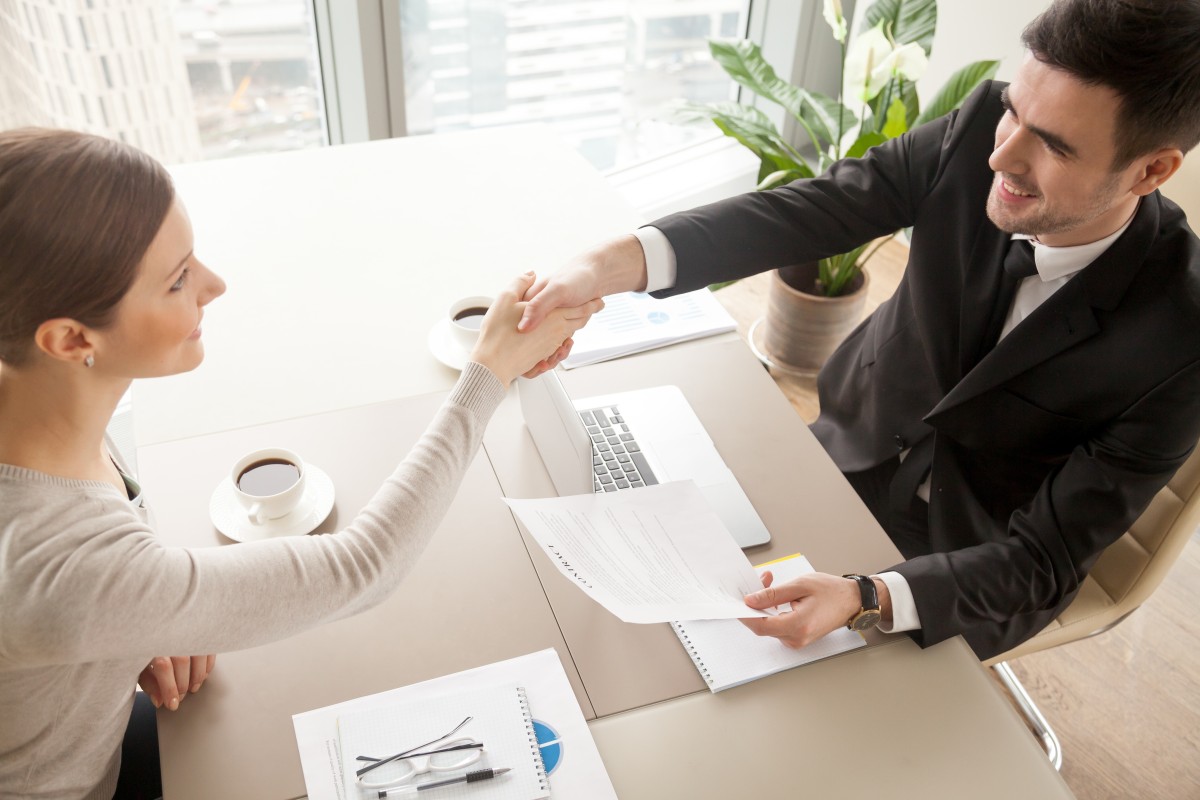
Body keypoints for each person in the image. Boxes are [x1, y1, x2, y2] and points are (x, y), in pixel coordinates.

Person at [518, 0, 1200, 661]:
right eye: (1015, 113)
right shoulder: (975, 131)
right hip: (844, 451)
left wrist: (870, 596)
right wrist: (610, 264)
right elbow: (813, 211)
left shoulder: (1183, 336)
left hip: (970, 565)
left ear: (1152, 169)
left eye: (1052, 145)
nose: (1002, 157)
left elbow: (1044, 559)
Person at [0, 127, 601, 800]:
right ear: (71, 339)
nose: (214, 285)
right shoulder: (59, 568)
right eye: (177, 281)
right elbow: (364, 566)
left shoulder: (34, 406)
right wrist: (489, 371)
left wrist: (133, 627)